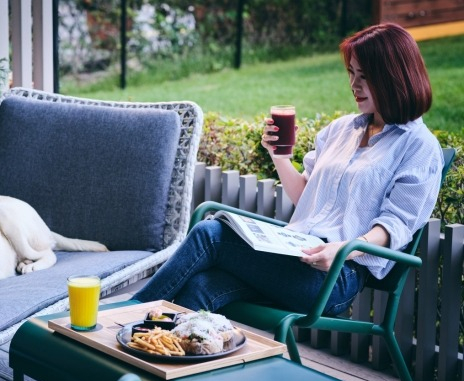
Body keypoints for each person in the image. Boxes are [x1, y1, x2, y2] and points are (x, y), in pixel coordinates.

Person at [132, 23, 444, 315]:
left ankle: (130, 310)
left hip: (335, 275)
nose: (354, 85)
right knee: (201, 288)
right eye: (351, 73)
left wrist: (342, 250)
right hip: (290, 255)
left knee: (210, 233)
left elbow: (395, 226)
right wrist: (279, 157)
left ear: (392, 77)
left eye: (365, 77)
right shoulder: (341, 130)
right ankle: (169, 362)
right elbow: (305, 195)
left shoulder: (418, 147)